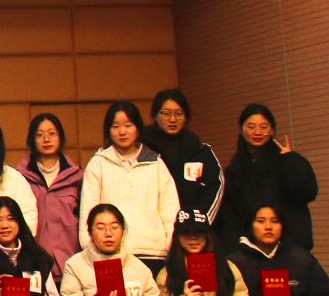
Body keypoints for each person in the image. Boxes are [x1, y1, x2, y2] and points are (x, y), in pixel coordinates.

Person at [81, 102, 179, 268]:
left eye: (128, 125)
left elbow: (170, 211)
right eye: (115, 126)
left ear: (138, 128)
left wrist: (172, 248)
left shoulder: (156, 164)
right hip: (112, 254)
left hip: (154, 252)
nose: (122, 132)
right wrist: (91, 252)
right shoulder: (98, 163)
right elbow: (88, 212)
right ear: (108, 130)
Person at [223, 103, 319, 250]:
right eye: (251, 127)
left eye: (264, 127)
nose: (257, 132)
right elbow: (230, 216)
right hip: (251, 249)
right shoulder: (233, 171)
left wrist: (291, 159)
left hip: (289, 246)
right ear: (241, 130)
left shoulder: (286, 161)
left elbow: (307, 193)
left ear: (272, 130)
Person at [142, 90, 225, 222]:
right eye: (166, 114)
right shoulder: (142, 150)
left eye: (179, 114)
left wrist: (201, 220)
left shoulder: (200, 150)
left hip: (192, 226)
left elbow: (215, 185)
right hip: (153, 225)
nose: (173, 119)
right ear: (155, 115)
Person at [18, 113, 84, 266]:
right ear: (32, 139)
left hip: (70, 258)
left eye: (52, 134)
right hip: (34, 260)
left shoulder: (76, 177)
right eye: (40, 135)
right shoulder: (20, 177)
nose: (46, 139)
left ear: (60, 137)